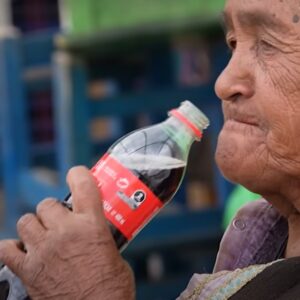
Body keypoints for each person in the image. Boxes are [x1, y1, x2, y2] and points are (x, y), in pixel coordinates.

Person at [1, 0, 300, 298]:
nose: (223, 83)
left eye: (268, 44)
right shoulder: (263, 235)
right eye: (233, 43)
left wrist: (92, 292)